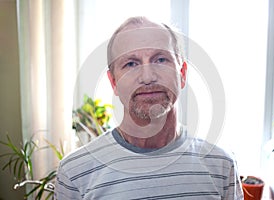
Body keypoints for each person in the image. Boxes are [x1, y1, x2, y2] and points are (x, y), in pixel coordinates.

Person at [55, 16, 244, 200]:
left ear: (183, 74)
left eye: (160, 60)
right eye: (131, 64)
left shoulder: (222, 165)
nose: (147, 77)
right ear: (114, 83)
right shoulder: (75, 173)